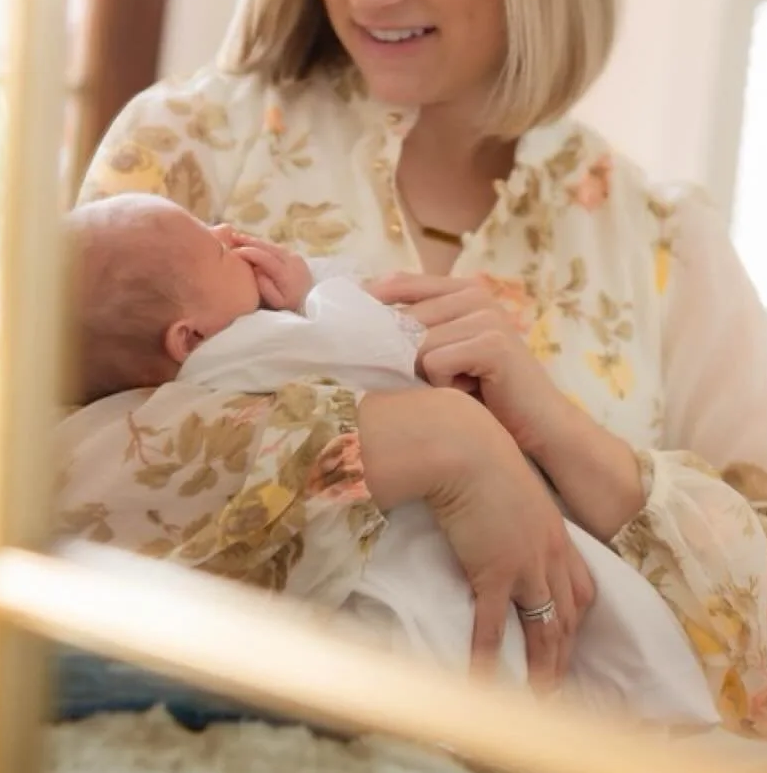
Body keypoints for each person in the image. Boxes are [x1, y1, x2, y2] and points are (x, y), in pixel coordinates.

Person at [59, 0, 767, 742]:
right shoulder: (191, 150)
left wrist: (569, 444)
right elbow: (36, 483)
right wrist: (434, 445)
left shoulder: (662, 243)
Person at [58, 191, 721, 727]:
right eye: (216, 247)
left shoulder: (662, 227)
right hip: (394, 577)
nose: (231, 230)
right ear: (187, 338)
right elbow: (373, 343)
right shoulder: (247, 344)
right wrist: (311, 292)